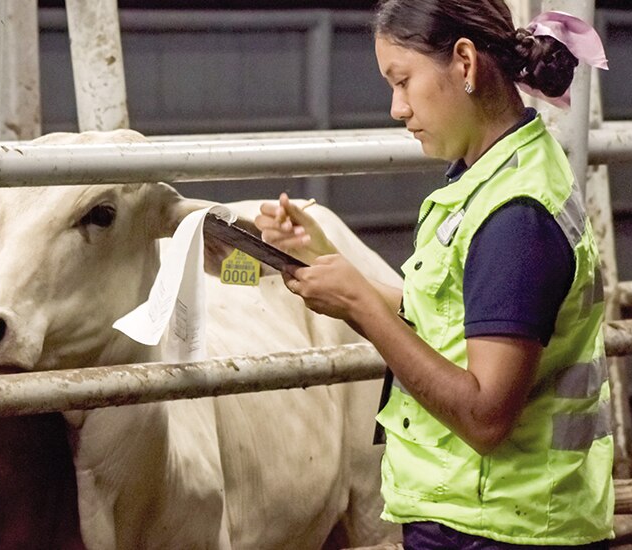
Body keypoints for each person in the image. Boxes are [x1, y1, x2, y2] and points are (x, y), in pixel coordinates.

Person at [255, 1, 612, 548]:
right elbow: (451, 318)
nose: (397, 108)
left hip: (502, 528)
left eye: (402, 81)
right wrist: (328, 263)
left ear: (464, 63)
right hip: (488, 515)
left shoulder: (516, 217)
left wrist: (363, 309)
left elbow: (485, 418)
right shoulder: (493, 178)